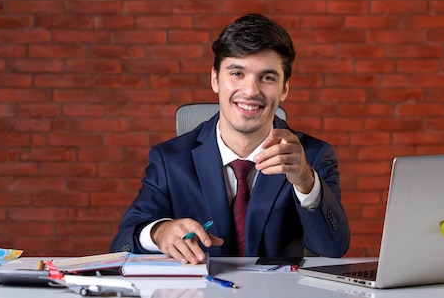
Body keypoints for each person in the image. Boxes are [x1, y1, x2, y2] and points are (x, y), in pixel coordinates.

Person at [110, 14, 350, 263]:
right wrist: (159, 232)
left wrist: (305, 180)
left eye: (267, 77)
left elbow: (333, 248)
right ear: (215, 79)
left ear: (285, 88)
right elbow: (122, 243)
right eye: (237, 73)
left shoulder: (312, 156)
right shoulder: (170, 160)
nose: (250, 91)